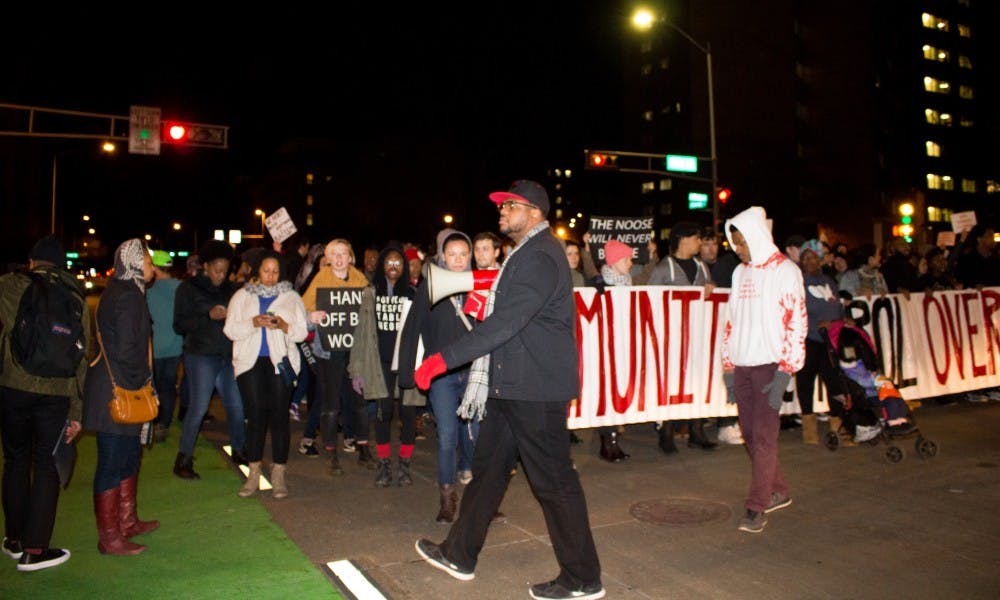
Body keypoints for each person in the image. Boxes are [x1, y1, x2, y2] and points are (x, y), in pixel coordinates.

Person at [412, 179, 604, 600]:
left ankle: (583, 577)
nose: (502, 211)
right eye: (501, 205)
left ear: (534, 213)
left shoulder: (539, 256)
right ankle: (459, 555)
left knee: (553, 482)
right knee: (487, 475)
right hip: (511, 384)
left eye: (511, 205)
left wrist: (444, 359)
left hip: (535, 389)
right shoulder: (523, 255)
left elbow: (506, 324)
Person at [0, 235, 90, 571]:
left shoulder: (12, 286)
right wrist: (78, 413)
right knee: (47, 466)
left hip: (13, 386)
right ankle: (35, 551)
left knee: (15, 460)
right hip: (57, 392)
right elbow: (83, 357)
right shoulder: (75, 296)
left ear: (32, 261)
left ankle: (14, 540)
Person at [722, 207, 807, 534]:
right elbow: (731, 321)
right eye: (735, 243)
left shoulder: (786, 272)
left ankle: (757, 505)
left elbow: (796, 323)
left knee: (764, 437)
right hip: (742, 367)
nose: (738, 249)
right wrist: (728, 367)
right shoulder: (740, 273)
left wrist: (786, 371)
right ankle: (779, 489)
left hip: (770, 367)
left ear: (756, 237)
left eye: (741, 243)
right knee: (750, 434)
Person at [82, 239, 160, 555]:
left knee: (127, 457)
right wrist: (143, 384)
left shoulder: (123, 292)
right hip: (118, 392)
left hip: (121, 387)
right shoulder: (128, 297)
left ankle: (127, 522)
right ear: (133, 264)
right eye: (148, 261)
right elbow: (129, 351)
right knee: (112, 463)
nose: (152, 267)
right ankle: (110, 537)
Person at [398, 230, 480, 522]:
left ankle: (483, 498)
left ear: (470, 256)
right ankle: (447, 498)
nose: (458, 260)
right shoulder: (429, 286)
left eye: (463, 254)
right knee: (447, 436)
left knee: (475, 436)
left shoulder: (479, 284)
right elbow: (412, 329)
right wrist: (407, 372)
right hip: (442, 375)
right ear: (442, 256)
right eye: (452, 254)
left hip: (473, 373)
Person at [224, 250, 308, 499]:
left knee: (280, 418)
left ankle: (279, 472)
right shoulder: (241, 296)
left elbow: (301, 333)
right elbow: (229, 330)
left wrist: (282, 325)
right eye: (265, 271)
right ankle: (253, 473)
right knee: (256, 417)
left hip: (280, 363)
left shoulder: (291, 297)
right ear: (257, 271)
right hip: (249, 364)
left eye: (275, 271)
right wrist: (253, 322)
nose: (270, 276)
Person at [349, 243, 423, 487]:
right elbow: (361, 334)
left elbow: (423, 332)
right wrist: (356, 370)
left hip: (407, 364)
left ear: (405, 266)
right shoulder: (370, 293)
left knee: (408, 414)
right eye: (388, 262)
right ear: (382, 265)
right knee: (383, 414)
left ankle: (404, 464)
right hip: (379, 363)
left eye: (398, 262)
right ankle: (384, 464)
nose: (393, 266)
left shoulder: (413, 294)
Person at [172, 240, 247, 479]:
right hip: (200, 356)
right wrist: (207, 315)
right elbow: (179, 324)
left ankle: (239, 449)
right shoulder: (188, 288)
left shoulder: (231, 289)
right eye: (217, 270)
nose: (221, 275)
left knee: (236, 405)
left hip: (227, 356)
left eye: (225, 270)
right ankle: (183, 459)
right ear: (205, 266)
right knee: (199, 407)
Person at [301, 239, 375, 474]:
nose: (340, 258)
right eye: (335, 254)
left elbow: (370, 313)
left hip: (356, 352)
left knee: (359, 401)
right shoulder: (321, 279)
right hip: (329, 351)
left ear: (351, 257)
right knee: (330, 402)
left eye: (344, 253)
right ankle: (331, 451)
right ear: (329, 258)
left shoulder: (361, 280)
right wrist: (311, 316)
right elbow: (303, 310)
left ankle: (363, 447)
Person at [648, 221, 718, 453]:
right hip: (671, 339)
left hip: (697, 337)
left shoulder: (701, 267)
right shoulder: (662, 269)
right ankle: (666, 432)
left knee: (697, 382)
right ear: (684, 239)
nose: (700, 243)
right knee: (669, 385)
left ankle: (696, 431)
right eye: (697, 238)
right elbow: (649, 302)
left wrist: (712, 289)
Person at [794, 239, 846, 445]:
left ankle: (837, 427)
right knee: (806, 383)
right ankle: (809, 430)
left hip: (829, 340)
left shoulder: (829, 281)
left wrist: (836, 322)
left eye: (813, 257)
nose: (808, 261)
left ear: (820, 260)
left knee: (834, 382)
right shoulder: (798, 282)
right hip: (809, 339)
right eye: (805, 258)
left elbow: (838, 308)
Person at [147, 250, 184, 443]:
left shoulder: (149, 293)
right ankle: (164, 423)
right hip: (175, 346)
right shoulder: (182, 288)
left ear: (155, 268)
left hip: (155, 348)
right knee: (169, 386)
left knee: (154, 386)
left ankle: (153, 421)